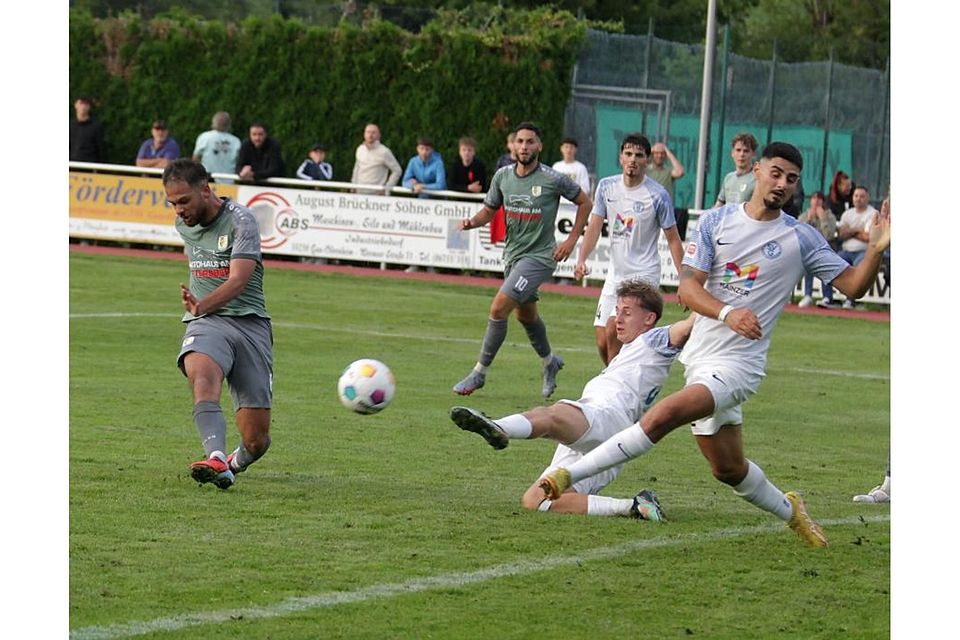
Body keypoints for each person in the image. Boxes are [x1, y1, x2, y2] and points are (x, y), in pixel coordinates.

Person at [536, 142, 892, 548]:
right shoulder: (716, 221)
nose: (782, 184)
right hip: (700, 361)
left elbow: (853, 286)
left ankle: (567, 476)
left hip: (739, 366)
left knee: (664, 414)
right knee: (728, 469)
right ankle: (792, 511)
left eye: (791, 179)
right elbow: (688, 288)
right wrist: (727, 313)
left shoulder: (800, 237)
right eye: (775, 173)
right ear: (757, 171)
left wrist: (875, 249)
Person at [451, 280, 695, 520]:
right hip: (612, 438)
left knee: (552, 416)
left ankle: (499, 428)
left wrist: (706, 297)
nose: (618, 319)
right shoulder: (632, 349)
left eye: (627, 313)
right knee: (537, 499)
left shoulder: (654, 340)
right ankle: (634, 506)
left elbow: (685, 328)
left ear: (649, 318)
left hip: (606, 417)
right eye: (617, 310)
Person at [454, 122, 592, 398]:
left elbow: (585, 203)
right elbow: (489, 210)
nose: (524, 146)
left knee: (498, 309)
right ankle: (550, 362)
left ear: (539, 146)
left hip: (540, 257)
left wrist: (570, 241)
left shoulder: (553, 178)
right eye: (520, 141)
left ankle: (479, 373)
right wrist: (472, 222)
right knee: (526, 316)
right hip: (513, 256)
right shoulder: (503, 176)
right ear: (513, 145)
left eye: (530, 142)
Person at [162, 159, 274, 490]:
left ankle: (231, 465)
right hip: (207, 323)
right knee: (202, 377)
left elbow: (239, 280)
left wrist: (202, 303)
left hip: (250, 325)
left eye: (184, 201)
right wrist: (200, 311)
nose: (179, 210)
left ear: (206, 190)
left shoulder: (241, 221)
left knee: (256, 440)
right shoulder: (184, 223)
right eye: (172, 203)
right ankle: (214, 456)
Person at [574, 133, 684, 365]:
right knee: (602, 340)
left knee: (613, 329)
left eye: (639, 155)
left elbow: (673, 240)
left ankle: (615, 383)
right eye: (628, 154)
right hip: (616, 275)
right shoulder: (606, 187)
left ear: (647, 161)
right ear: (621, 157)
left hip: (643, 276)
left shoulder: (658, 195)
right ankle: (619, 378)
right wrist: (582, 258)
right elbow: (594, 226)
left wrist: (685, 281)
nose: (633, 159)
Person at [837, 186, 878, 309]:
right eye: (856, 196)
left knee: (858, 272)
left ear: (868, 198)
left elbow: (869, 237)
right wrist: (858, 230)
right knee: (830, 263)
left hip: (863, 252)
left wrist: (850, 231)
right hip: (845, 251)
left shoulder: (873, 214)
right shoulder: (847, 214)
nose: (858, 199)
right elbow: (841, 235)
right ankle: (828, 298)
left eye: (862, 196)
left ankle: (850, 301)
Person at [797, 191, 838, 308]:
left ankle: (827, 297)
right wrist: (808, 220)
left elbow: (829, 236)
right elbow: (799, 235)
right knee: (808, 261)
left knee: (825, 264)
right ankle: (807, 295)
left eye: (819, 199)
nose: (816, 201)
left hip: (825, 249)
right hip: (807, 250)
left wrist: (823, 220)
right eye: (814, 198)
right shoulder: (803, 216)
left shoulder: (830, 217)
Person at [351, 123, 402, 194]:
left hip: (376, 196)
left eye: (373, 132)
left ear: (379, 135)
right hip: (359, 193)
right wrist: (353, 186)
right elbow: (356, 168)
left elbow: (397, 170)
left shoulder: (384, 152)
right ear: (364, 134)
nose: (370, 135)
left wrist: (387, 189)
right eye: (368, 132)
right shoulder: (360, 149)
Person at [192, 111, 242, 183]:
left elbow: (196, 159)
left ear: (213, 123)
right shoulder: (236, 141)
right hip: (228, 181)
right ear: (229, 124)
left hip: (208, 179)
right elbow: (238, 162)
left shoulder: (204, 137)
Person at [713, 133, 758, 208]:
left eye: (746, 151)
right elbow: (719, 205)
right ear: (732, 153)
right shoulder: (728, 178)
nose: (741, 154)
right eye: (738, 150)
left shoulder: (757, 180)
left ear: (753, 154)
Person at [551, 137, 591, 202]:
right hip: (559, 204)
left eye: (571, 147)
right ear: (561, 149)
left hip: (574, 204)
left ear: (575, 150)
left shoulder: (581, 168)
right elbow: (552, 186)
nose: (568, 150)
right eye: (566, 147)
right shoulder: (556, 167)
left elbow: (586, 189)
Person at [69, 95, 106, 163]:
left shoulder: (96, 127)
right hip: (72, 165)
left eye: (86, 104)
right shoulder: (70, 126)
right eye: (81, 103)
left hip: (90, 165)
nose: (83, 107)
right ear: (76, 105)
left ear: (89, 107)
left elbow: (101, 149)